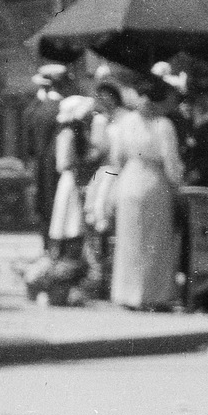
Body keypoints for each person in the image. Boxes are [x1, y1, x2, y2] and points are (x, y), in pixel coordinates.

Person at [106, 74, 184, 311]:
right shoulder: (163, 125)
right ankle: (153, 296)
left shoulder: (124, 123)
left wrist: (111, 188)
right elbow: (171, 163)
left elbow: (115, 159)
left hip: (129, 180)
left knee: (130, 241)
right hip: (153, 182)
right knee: (154, 242)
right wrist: (178, 187)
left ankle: (127, 295)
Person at [83, 78, 127, 297]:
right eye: (100, 97)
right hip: (106, 172)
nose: (103, 100)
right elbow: (97, 151)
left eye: (106, 95)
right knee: (97, 216)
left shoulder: (125, 118)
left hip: (121, 171)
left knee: (111, 218)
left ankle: (112, 273)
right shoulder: (100, 121)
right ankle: (100, 272)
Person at [48, 95, 94, 258]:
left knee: (73, 220)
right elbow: (63, 163)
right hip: (71, 178)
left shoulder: (75, 134)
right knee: (69, 219)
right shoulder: (67, 135)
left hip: (74, 178)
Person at [24, 64, 68, 235]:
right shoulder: (63, 107)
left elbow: (30, 146)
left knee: (44, 203)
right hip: (59, 164)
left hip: (42, 164)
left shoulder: (35, 110)